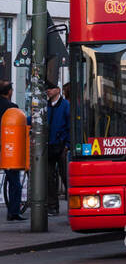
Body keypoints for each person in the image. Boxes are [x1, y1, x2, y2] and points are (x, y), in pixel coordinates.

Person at [45, 81, 71, 214]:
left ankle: (72, 206)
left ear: (58, 90)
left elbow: (70, 126)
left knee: (66, 176)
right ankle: (53, 207)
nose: (48, 90)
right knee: (49, 178)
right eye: (47, 89)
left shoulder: (66, 105)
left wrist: (67, 145)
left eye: (50, 88)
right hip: (49, 146)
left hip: (61, 147)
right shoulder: (45, 106)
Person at [0, 81, 24, 220]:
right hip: (8, 148)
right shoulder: (11, 108)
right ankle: (13, 212)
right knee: (14, 182)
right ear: (9, 92)